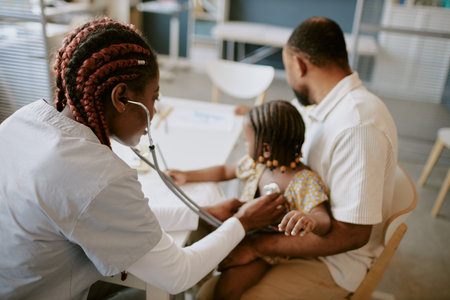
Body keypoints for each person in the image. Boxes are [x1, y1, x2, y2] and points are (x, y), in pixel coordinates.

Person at [0, 17, 287, 299]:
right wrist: (244, 222)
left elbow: (95, 214)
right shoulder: (97, 176)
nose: (156, 110)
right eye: (155, 97)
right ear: (121, 98)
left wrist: (199, 213)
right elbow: (177, 275)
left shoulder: (21, 121)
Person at [197, 17, 398, 300]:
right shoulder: (320, 103)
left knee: (214, 293)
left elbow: (353, 235)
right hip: (293, 236)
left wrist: (258, 246)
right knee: (205, 258)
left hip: (332, 261)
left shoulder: (358, 125)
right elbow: (280, 122)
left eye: (287, 67)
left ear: (300, 65)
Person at [167, 100, 332, 299]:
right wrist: (187, 175)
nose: (245, 145)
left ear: (267, 149)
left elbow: (324, 220)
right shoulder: (258, 165)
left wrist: (310, 220)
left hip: (266, 251)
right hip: (241, 230)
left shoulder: (304, 181)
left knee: (226, 289)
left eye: (247, 141)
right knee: (191, 237)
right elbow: (225, 170)